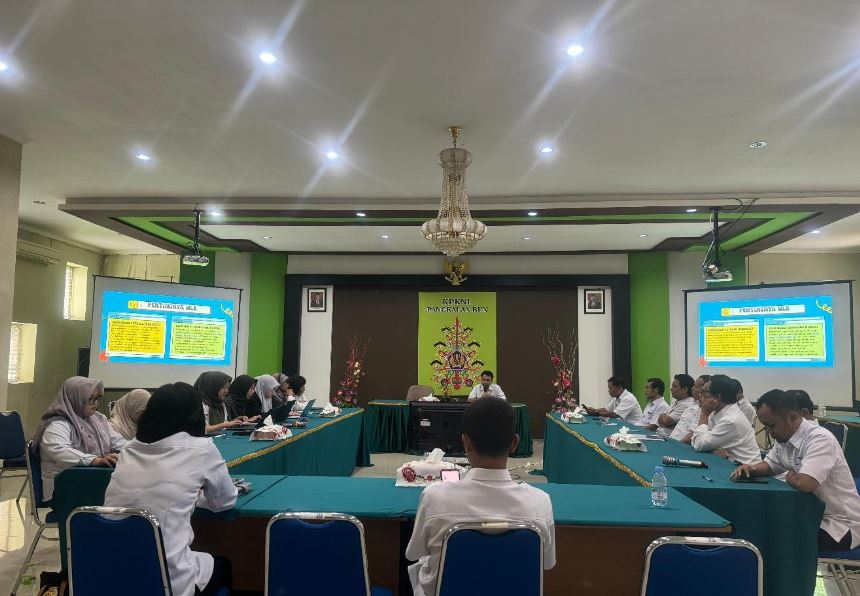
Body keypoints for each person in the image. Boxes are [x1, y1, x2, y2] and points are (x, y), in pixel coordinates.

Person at [405, 398, 555, 596]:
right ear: (514, 443)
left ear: (465, 442)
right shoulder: (540, 502)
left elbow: (414, 553)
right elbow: (547, 563)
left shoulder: (434, 497)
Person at [104, 383, 238, 596]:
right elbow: (224, 502)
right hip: (167, 579)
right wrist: (195, 498)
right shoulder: (202, 449)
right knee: (225, 566)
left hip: (112, 573)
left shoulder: (128, 449)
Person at [734, 390, 860, 551]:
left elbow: (806, 483)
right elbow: (770, 465)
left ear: (792, 417)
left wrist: (790, 477)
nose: (769, 431)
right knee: (758, 522)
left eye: (771, 425)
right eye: (766, 426)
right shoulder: (785, 437)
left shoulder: (820, 439)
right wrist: (751, 468)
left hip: (839, 525)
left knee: (772, 536)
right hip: (810, 515)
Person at [32, 376, 127, 501]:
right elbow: (60, 450)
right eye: (91, 399)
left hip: (91, 480)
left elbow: (118, 441)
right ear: (75, 398)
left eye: (98, 398)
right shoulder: (57, 424)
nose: (96, 403)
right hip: (64, 488)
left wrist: (136, 450)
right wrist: (94, 460)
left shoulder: (98, 419)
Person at [690, 374, 760, 464]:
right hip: (729, 464)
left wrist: (704, 414)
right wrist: (713, 449)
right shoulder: (716, 412)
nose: (700, 396)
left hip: (746, 469)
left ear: (717, 397)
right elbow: (695, 439)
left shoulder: (731, 420)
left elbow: (698, 444)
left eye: (704, 392)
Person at [670, 374, 710, 442]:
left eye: (695, 386)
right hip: (673, 440)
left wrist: (676, 445)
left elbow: (692, 434)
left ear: (703, 390)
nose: (692, 388)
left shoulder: (704, 409)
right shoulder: (694, 403)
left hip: (680, 444)